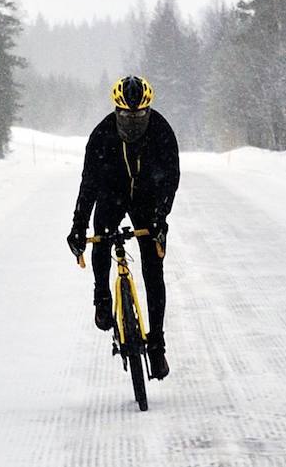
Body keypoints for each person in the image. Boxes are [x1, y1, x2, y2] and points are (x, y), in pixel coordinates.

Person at [67, 75, 180, 380]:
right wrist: (78, 227)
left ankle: (156, 345)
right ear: (116, 111)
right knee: (101, 235)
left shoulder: (162, 131)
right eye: (127, 116)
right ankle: (102, 296)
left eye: (140, 115)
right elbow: (88, 185)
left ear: (149, 111)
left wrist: (161, 215)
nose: (133, 121)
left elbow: (172, 177)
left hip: (148, 200)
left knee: (153, 269)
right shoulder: (102, 134)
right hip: (112, 195)